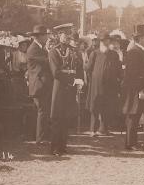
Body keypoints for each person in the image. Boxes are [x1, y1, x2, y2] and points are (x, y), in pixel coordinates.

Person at [49, 24, 84, 156]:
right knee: (57, 118)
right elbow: (55, 72)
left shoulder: (73, 51)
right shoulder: (53, 51)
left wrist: (80, 79)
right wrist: (72, 80)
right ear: (58, 36)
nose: (67, 36)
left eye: (68, 34)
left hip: (71, 88)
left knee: (66, 117)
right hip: (59, 88)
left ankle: (63, 145)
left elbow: (78, 67)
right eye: (64, 34)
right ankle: (55, 147)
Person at [86, 32, 122, 137]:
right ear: (100, 42)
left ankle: (104, 129)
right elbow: (88, 68)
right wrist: (93, 80)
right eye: (102, 41)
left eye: (107, 40)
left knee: (108, 106)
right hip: (96, 85)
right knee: (95, 106)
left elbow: (118, 69)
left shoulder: (113, 54)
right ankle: (93, 129)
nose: (105, 43)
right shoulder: (95, 53)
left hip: (110, 85)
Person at [122, 24, 144, 150]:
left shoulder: (138, 50)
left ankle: (132, 142)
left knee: (135, 115)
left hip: (137, 89)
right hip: (135, 90)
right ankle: (130, 143)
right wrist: (140, 89)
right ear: (139, 39)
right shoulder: (135, 52)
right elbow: (134, 74)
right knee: (132, 116)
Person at [26, 25, 53, 145]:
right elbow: (47, 61)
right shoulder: (33, 49)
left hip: (41, 84)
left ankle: (40, 137)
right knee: (42, 111)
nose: (47, 37)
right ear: (40, 36)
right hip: (39, 85)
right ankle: (40, 139)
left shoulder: (40, 48)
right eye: (45, 35)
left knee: (43, 111)